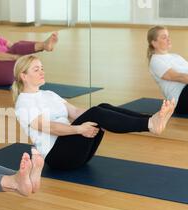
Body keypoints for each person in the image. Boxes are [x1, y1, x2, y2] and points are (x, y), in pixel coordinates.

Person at [13, 55, 176, 171]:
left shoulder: (49, 94)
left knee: (101, 107)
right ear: (23, 76)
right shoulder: (24, 102)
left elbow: (75, 112)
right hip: (59, 158)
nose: (42, 72)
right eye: (36, 70)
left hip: (76, 152)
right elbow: (49, 127)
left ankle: (151, 121)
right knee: (97, 112)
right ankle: (150, 124)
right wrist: (79, 129)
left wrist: (104, 118)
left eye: (42, 68)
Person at [0, 17, 59, 86]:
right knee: (17, 47)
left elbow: (14, 47)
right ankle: (44, 45)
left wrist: (20, 55)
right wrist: (16, 57)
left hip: (9, 73)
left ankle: (44, 45)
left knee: (19, 44)